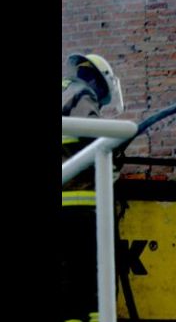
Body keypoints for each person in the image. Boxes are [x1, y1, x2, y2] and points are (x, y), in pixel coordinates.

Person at [61, 53, 123, 322]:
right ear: (98, 81)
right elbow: (94, 137)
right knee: (90, 281)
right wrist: (115, 149)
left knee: (65, 286)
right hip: (78, 205)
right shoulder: (82, 93)